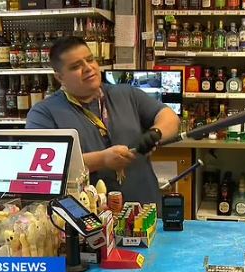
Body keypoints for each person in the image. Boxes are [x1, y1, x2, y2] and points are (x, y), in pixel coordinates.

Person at [26, 36, 180, 203]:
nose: (88, 68)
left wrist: (156, 133)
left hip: (145, 211)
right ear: (60, 77)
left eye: (90, 59)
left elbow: (168, 116)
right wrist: (102, 160)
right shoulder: (43, 113)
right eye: (76, 66)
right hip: (88, 217)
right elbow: (41, 169)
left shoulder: (126, 94)